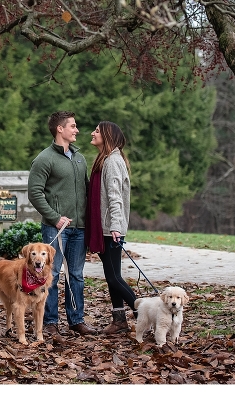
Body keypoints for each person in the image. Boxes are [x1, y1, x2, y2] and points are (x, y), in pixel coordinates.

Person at [28, 111, 97, 342]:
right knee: (52, 275)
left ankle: (76, 320)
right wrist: (55, 217)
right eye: (73, 126)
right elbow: (35, 193)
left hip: (79, 228)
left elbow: (87, 190)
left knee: (76, 275)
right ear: (60, 129)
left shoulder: (80, 158)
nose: (77, 130)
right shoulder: (44, 159)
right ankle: (49, 323)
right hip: (55, 228)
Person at [85, 121, 138, 334]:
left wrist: (115, 226)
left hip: (111, 228)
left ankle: (142, 311)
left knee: (114, 277)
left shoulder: (113, 161)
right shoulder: (105, 159)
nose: (92, 133)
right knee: (112, 275)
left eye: (97, 131)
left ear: (107, 135)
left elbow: (115, 197)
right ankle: (119, 320)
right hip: (106, 227)